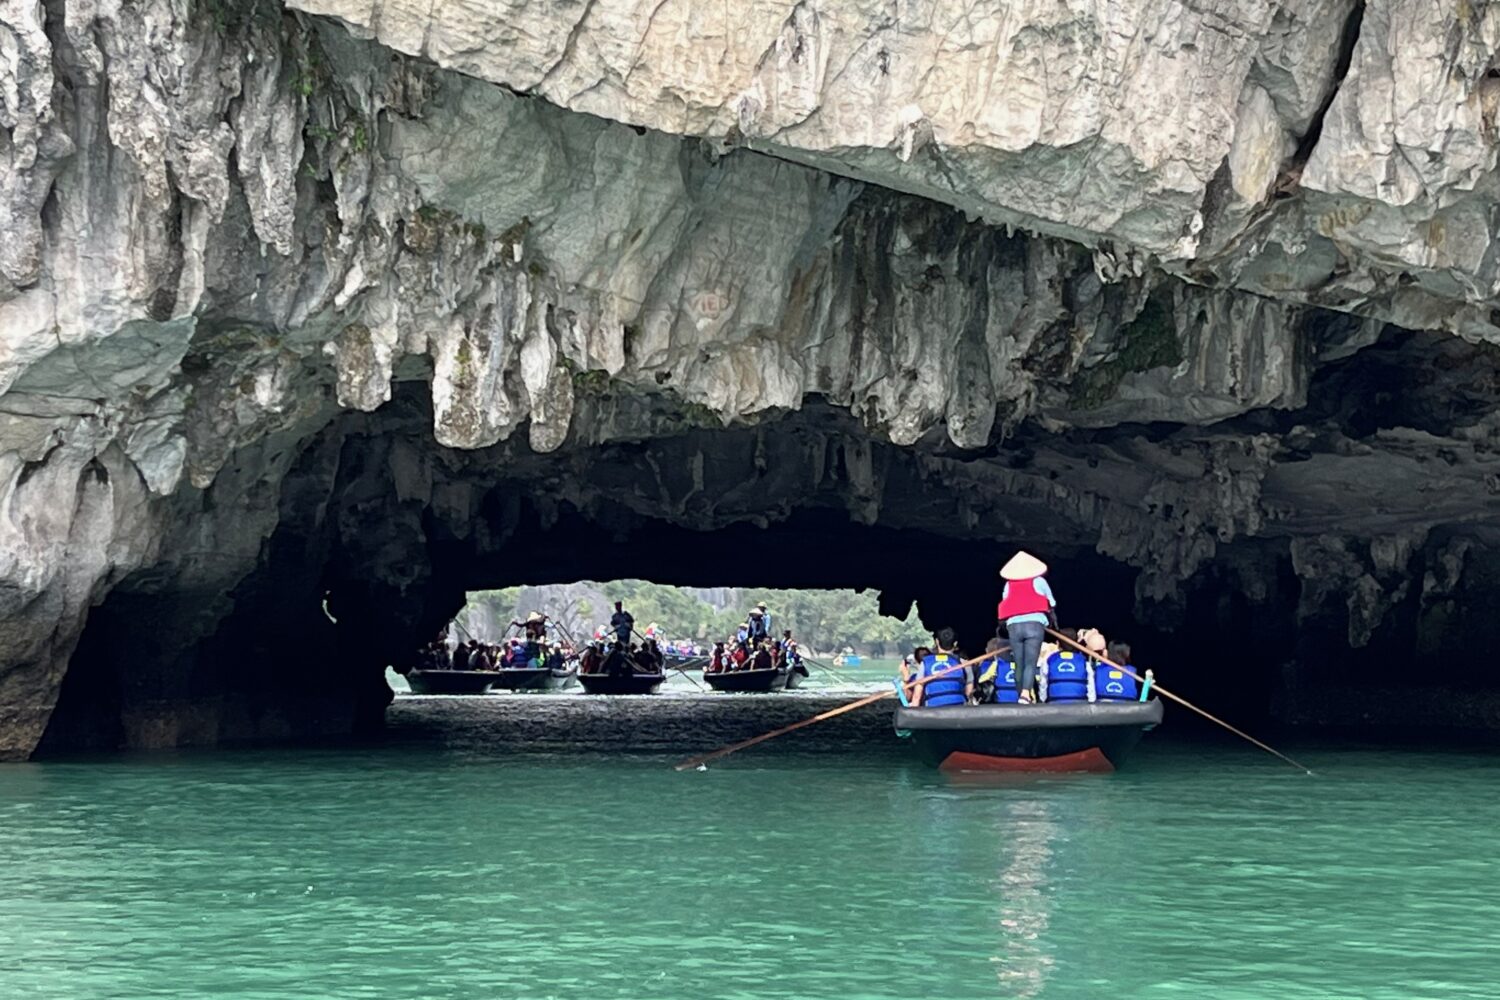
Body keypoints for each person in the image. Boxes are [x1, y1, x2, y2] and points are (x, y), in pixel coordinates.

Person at [997, 550, 1056, 705]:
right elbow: (1051, 602)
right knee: (1030, 662)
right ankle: (1025, 695)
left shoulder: (1008, 585)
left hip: (1014, 627)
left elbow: (1006, 601)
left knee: (1019, 662)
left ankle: (1021, 696)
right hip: (1034, 625)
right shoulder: (1039, 581)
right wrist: (1052, 621)